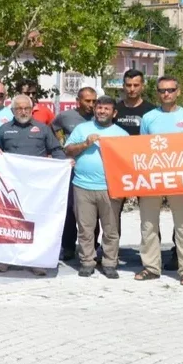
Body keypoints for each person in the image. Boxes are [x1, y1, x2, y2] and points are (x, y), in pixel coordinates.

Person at [0, 94, 67, 276]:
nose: (23, 112)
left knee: (35, 222)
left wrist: (65, 164)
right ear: (12, 110)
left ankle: (36, 261)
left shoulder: (42, 129)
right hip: (11, 186)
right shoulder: (4, 129)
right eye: (19, 108)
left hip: (36, 187)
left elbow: (56, 150)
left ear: (31, 110)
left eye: (26, 108)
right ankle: (5, 260)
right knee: (9, 222)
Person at [136, 75, 183, 285]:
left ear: (178, 92)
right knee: (148, 225)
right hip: (153, 178)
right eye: (162, 90)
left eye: (170, 90)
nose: (166, 94)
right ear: (157, 93)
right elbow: (143, 149)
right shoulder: (148, 118)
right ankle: (151, 267)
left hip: (180, 179)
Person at [63, 96, 128, 279]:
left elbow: (128, 162)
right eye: (99, 108)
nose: (102, 111)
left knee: (111, 228)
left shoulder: (122, 134)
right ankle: (87, 261)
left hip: (111, 188)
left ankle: (109, 262)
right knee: (85, 228)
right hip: (82, 185)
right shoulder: (82, 129)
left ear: (114, 113)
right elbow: (67, 150)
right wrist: (85, 144)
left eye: (106, 109)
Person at [51, 87, 97, 262]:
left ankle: (93, 246)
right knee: (70, 209)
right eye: (87, 101)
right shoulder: (66, 116)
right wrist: (60, 145)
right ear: (78, 101)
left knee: (94, 212)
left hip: (92, 173)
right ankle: (68, 246)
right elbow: (53, 127)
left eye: (94, 101)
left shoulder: (98, 117)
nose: (91, 105)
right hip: (71, 169)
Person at [114, 69, 153, 137]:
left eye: (136, 85)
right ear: (123, 86)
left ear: (142, 86)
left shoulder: (151, 111)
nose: (132, 89)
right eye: (128, 85)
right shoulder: (115, 109)